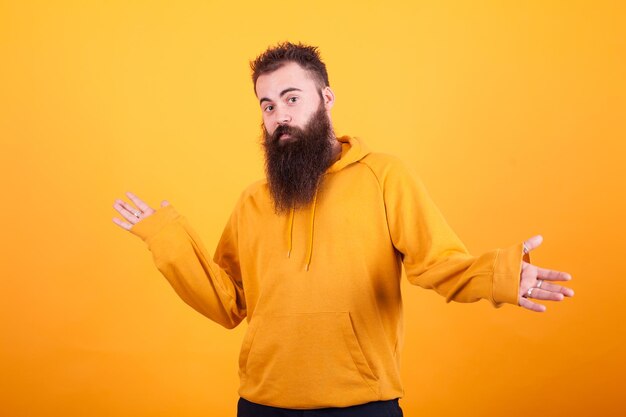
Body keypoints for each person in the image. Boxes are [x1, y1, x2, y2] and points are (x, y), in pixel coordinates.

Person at [112, 42, 574, 417]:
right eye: (268, 105)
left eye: (292, 98)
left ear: (326, 99)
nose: (280, 116)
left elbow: (438, 264)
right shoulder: (253, 201)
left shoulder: (385, 177)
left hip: (361, 406)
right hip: (262, 406)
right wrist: (167, 238)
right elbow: (228, 303)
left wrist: (501, 275)